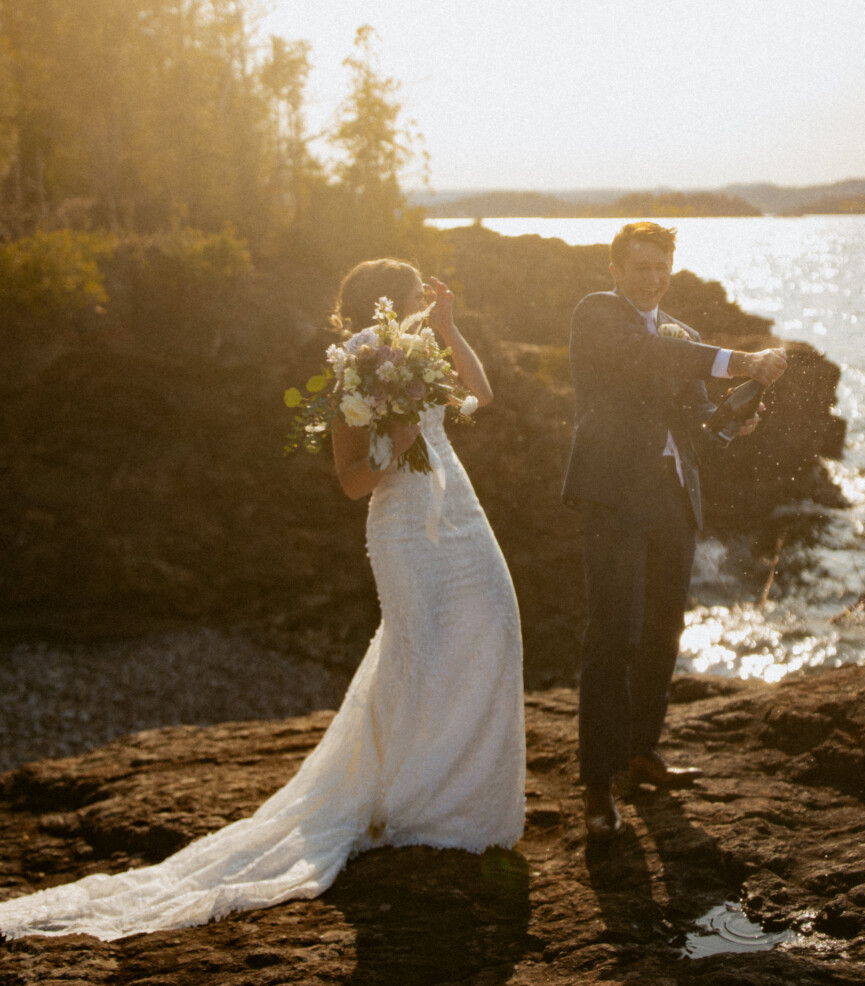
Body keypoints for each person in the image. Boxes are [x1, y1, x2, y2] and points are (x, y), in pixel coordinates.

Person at [0, 259, 525, 940]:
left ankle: (469, 792)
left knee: (494, 631)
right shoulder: (354, 373)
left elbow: (481, 394)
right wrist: (394, 443)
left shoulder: (423, 355)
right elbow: (351, 482)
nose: (426, 301)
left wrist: (451, 331)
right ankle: (414, 803)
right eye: (417, 295)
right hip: (404, 531)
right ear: (384, 304)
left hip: (462, 520)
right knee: (419, 653)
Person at [562, 222, 787, 839]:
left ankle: (642, 754)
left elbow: (696, 423)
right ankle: (597, 784)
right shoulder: (598, 315)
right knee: (613, 632)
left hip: (673, 499)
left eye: (661, 267)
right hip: (612, 496)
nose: (652, 279)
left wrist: (729, 423)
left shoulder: (682, 332)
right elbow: (646, 356)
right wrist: (739, 360)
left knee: (664, 629)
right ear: (615, 270)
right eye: (639, 267)